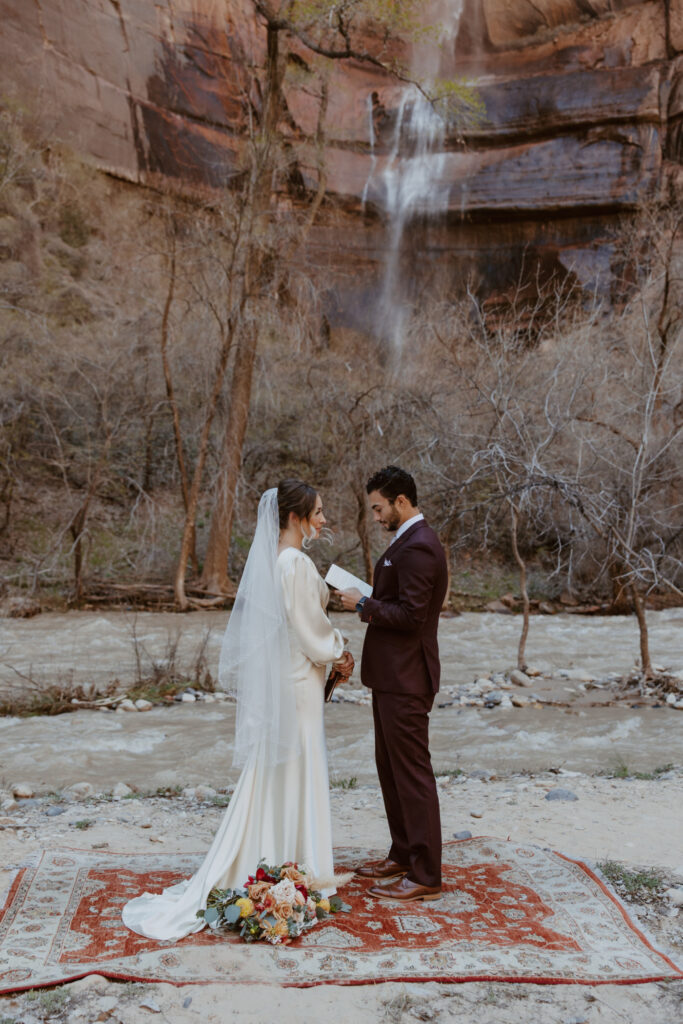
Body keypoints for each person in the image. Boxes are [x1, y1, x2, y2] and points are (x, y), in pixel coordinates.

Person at [122, 480, 353, 941]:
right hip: (299, 683)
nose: (325, 520)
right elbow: (312, 631)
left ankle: (277, 857)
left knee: (280, 767)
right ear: (295, 517)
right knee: (299, 762)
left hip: (286, 679)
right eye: (319, 512)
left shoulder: (274, 562)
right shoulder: (296, 564)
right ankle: (294, 862)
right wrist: (341, 652)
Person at [339, 466, 447, 903]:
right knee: (391, 771)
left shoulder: (419, 546)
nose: (377, 515)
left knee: (412, 774)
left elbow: (412, 616)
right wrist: (371, 600)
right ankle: (403, 853)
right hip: (391, 676)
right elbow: (400, 603)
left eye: (379, 507)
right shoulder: (404, 542)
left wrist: (364, 604)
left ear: (402, 501)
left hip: (407, 678)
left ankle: (426, 875)